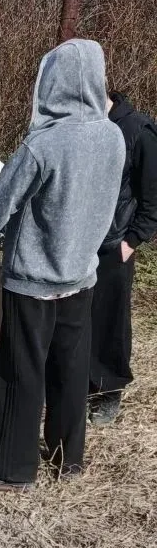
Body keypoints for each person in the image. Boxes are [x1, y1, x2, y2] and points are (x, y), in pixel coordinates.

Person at [0, 39, 125, 492]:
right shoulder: (113, 136)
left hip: (34, 280)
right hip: (81, 275)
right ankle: (67, 459)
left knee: (20, 372)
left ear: (53, 82)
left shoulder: (44, 143)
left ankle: (14, 469)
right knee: (70, 370)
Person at [89, 90, 157, 424]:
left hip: (115, 245)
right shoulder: (85, 126)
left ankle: (108, 389)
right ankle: (78, 382)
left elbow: (152, 195)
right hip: (80, 242)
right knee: (77, 316)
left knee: (110, 320)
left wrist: (132, 241)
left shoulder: (138, 130)